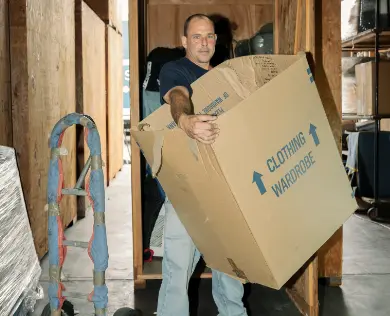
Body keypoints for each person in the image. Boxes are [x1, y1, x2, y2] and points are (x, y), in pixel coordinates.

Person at [156, 13, 248, 316]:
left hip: (226, 186)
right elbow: (177, 96)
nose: (204, 42)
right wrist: (185, 120)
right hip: (187, 188)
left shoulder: (225, 77)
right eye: (196, 36)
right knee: (178, 267)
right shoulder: (175, 70)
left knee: (231, 268)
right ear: (185, 41)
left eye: (209, 36)